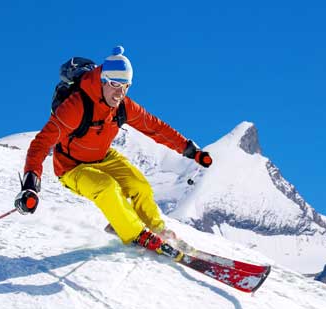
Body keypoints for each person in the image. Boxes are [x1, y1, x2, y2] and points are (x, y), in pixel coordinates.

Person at [15, 46, 212, 253]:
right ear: (102, 80)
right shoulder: (76, 106)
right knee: (107, 187)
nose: (120, 93)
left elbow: (155, 128)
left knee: (139, 185)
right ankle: (137, 235)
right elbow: (41, 143)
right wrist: (30, 184)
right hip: (71, 166)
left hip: (103, 157)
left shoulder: (123, 106)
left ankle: (158, 230)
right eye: (115, 85)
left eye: (126, 86)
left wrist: (191, 150)